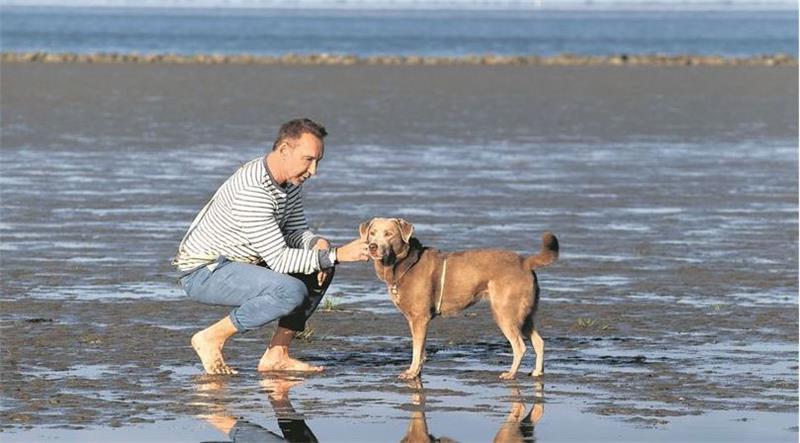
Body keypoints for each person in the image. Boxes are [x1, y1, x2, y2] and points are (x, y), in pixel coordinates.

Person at [173, 118, 369, 375]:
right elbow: (279, 260)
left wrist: (317, 244)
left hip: (244, 261)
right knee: (291, 290)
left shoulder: (289, 181)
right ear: (285, 150)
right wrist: (338, 254)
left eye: (318, 161)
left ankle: (277, 354)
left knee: (322, 264)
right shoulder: (254, 190)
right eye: (308, 159)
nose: (314, 171)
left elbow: (295, 231)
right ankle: (211, 337)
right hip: (204, 271)